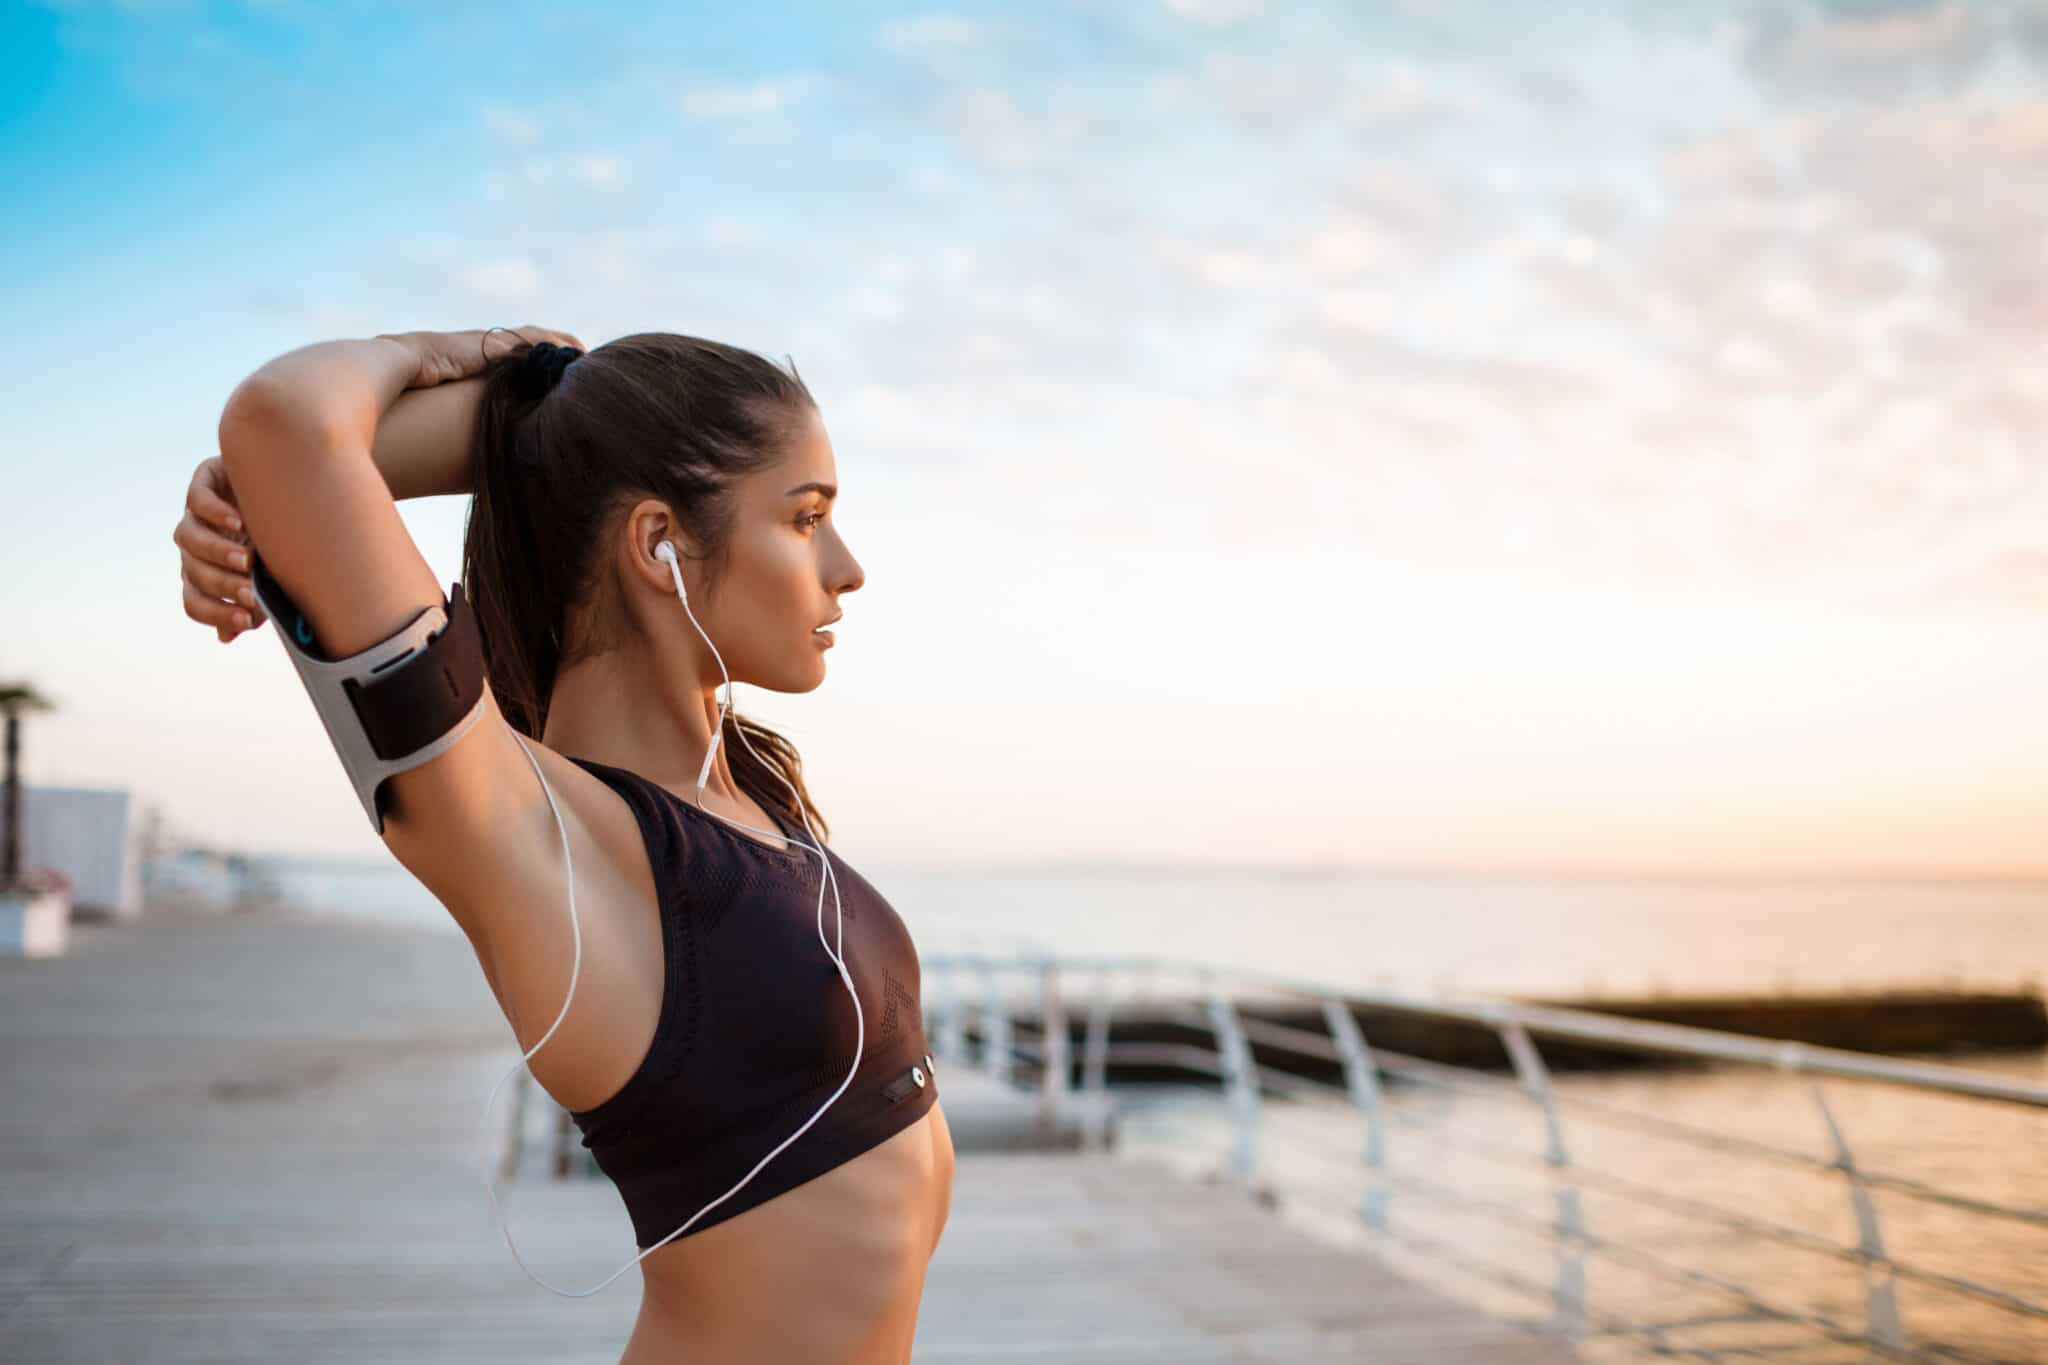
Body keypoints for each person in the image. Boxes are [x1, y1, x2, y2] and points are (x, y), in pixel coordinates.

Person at [171, 326, 955, 1363]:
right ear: (656, 544)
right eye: (804, 518)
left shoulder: (744, 791)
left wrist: (542, 411)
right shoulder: (526, 824)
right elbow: (288, 424)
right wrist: (478, 356)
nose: (844, 569)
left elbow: (306, 458)